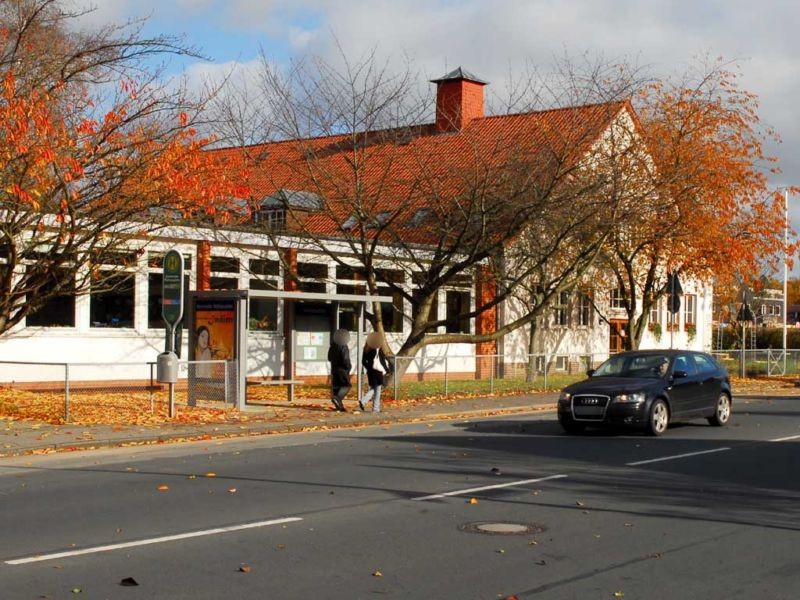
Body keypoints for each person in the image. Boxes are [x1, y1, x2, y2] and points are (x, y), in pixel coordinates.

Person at [360, 331, 391, 413]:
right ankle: (375, 408)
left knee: (375, 388)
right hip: (378, 372)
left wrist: (369, 368)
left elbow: (363, 361)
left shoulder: (366, 348)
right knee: (377, 390)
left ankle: (364, 401)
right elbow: (382, 361)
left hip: (370, 372)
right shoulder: (378, 349)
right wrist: (387, 370)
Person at [327, 329, 352, 412]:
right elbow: (345, 359)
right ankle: (337, 398)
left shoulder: (332, 346)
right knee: (346, 386)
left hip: (334, 369)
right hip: (342, 369)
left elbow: (329, 358)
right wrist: (348, 367)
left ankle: (340, 406)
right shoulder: (343, 346)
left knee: (337, 387)